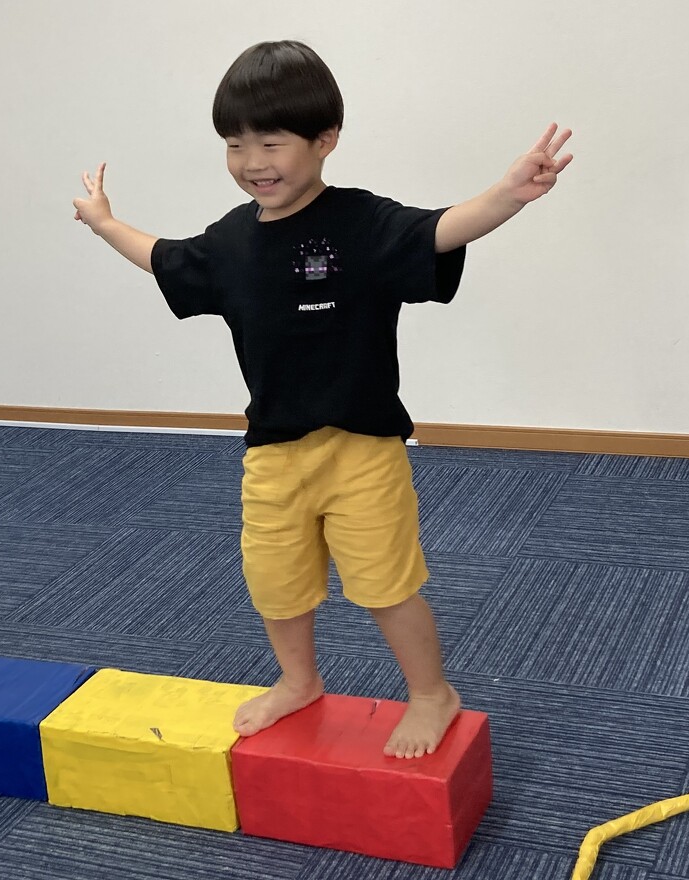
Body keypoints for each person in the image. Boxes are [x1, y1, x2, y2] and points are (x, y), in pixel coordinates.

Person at [73, 40, 572, 759]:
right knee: (275, 583)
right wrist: (103, 222)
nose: (252, 160)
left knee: (385, 585)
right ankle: (299, 680)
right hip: (274, 451)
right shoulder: (232, 240)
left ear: (325, 140)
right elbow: (167, 259)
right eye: (235, 144)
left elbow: (439, 230)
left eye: (271, 142)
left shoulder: (360, 223)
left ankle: (432, 693)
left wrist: (507, 195)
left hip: (361, 447)